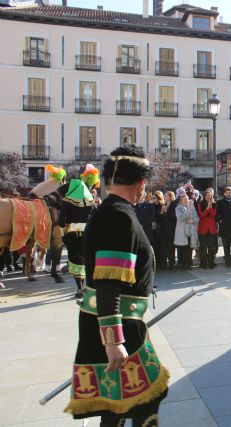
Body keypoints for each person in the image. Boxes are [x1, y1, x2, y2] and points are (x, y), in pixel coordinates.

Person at [64, 144, 169, 426]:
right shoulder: (118, 216)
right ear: (141, 183)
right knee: (144, 400)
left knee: (119, 405)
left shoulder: (112, 210)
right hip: (119, 324)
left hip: (118, 321)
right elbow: (109, 280)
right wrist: (114, 341)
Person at [58, 165, 98, 300]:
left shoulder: (67, 201)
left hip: (72, 235)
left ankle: (79, 288)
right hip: (89, 234)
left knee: (75, 261)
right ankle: (90, 286)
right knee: (88, 259)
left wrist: (63, 228)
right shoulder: (91, 200)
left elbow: (60, 221)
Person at [174, 194, 199, 269]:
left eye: (187, 199)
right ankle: (181, 264)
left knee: (189, 248)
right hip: (182, 232)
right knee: (181, 248)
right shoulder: (178, 208)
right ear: (181, 201)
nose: (187, 201)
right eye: (185, 200)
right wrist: (188, 211)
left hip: (191, 232)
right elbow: (180, 217)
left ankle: (188, 264)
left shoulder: (192, 208)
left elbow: (197, 218)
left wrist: (192, 221)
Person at [197, 188, 218, 268]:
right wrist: (207, 208)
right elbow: (201, 215)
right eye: (207, 195)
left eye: (210, 195)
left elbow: (213, 214)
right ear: (204, 196)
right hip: (203, 228)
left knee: (211, 247)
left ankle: (211, 263)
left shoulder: (214, 204)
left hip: (211, 229)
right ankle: (203, 263)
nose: (208, 197)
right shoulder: (200, 204)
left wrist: (211, 206)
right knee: (203, 247)